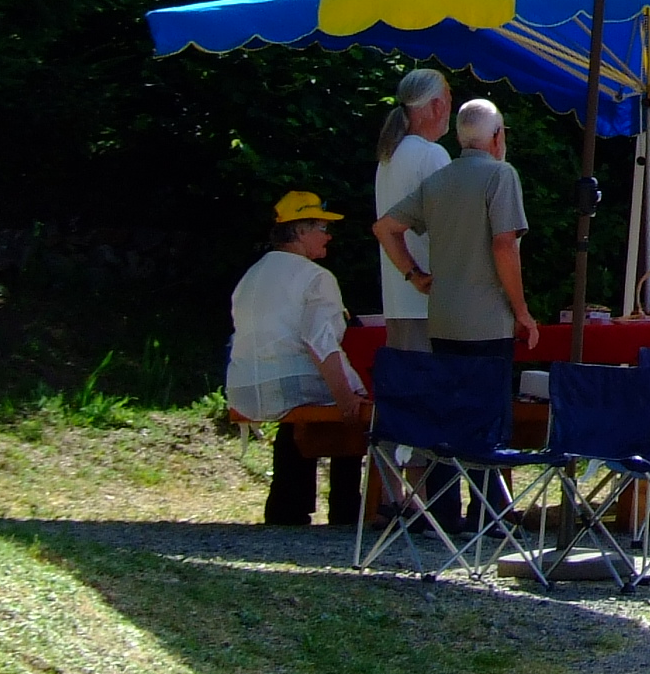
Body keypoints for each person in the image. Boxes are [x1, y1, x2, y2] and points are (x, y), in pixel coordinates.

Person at [225, 192, 365, 527]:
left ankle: (287, 502)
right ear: (300, 231)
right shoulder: (316, 277)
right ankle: (347, 505)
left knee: (304, 407)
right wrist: (347, 398)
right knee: (359, 403)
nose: (328, 236)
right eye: (322, 228)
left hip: (245, 385)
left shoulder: (252, 275)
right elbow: (321, 344)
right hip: (291, 383)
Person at [377, 98, 538, 361]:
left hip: (442, 322)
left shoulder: (437, 180)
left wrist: (414, 275)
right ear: (498, 135)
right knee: (486, 389)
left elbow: (384, 228)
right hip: (487, 323)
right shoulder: (501, 174)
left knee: (448, 388)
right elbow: (504, 245)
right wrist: (521, 312)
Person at [372, 69, 451, 354]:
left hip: (399, 302)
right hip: (432, 303)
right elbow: (452, 228)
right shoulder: (431, 154)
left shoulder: (389, 156)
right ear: (437, 105)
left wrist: (410, 274)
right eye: (449, 100)